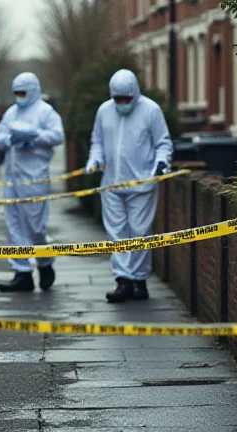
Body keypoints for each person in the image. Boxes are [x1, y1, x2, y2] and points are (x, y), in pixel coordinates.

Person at [86, 69, 173, 303]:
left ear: (134, 93)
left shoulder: (151, 110)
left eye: (126, 99)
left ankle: (140, 280)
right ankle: (123, 281)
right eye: (118, 99)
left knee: (140, 232)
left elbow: (162, 143)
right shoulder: (104, 111)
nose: (122, 103)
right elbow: (97, 142)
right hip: (111, 183)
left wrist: (162, 162)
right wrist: (95, 160)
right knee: (117, 234)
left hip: (142, 183)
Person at [0, 72, 65, 293]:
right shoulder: (12, 113)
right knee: (13, 224)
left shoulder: (46, 112)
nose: (19, 97)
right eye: (16, 93)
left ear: (33, 91)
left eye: (23, 93)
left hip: (35, 177)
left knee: (35, 226)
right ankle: (22, 272)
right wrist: (10, 140)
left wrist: (34, 137)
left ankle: (45, 263)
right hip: (13, 177)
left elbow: (57, 136)